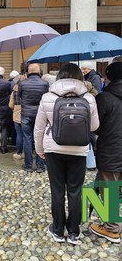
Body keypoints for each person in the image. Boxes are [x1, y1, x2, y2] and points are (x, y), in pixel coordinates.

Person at [34, 63, 99, 245]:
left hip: (53, 149)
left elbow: (39, 128)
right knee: (75, 191)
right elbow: (94, 126)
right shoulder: (89, 98)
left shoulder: (48, 96)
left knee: (57, 190)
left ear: (59, 77)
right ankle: (73, 232)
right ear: (80, 76)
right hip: (78, 150)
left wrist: (39, 149)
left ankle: (57, 229)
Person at [89, 60, 122, 243]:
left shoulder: (105, 98)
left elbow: (96, 127)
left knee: (110, 189)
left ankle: (112, 229)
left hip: (111, 150)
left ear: (108, 77)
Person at [18, 63, 49, 173]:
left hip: (26, 113)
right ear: (39, 71)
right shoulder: (45, 84)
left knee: (27, 138)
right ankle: (40, 166)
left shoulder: (22, 83)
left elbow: (19, 95)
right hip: (40, 114)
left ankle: (28, 165)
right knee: (40, 138)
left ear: (28, 72)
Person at [9, 74, 24, 160]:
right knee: (28, 135)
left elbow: (11, 105)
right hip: (28, 112)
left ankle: (19, 153)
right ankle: (28, 152)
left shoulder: (14, 91)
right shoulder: (27, 89)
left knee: (19, 134)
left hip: (17, 114)